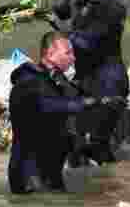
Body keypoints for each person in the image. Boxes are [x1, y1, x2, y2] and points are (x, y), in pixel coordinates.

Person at [45, 0, 130, 161]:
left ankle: (111, 190)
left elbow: (87, 41)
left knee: (97, 146)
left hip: (109, 83)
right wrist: (21, 10)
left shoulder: (112, 2)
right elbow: (53, 10)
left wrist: (57, 27)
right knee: (74, 146)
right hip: (84, 81)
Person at [7, 31, 123, 194]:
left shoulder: (56, 82)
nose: (73, 58)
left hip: (50, 174)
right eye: (68, 53)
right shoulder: (28, 82)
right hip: (30, 177)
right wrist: (91, 103)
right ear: (50, 53)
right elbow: (51, 106)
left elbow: (63, 118)